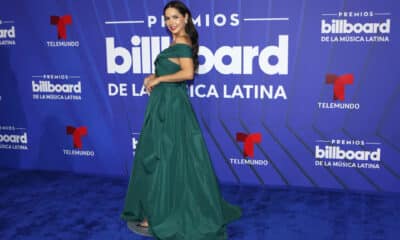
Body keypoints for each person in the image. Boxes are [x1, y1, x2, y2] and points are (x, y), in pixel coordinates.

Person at [121, 1, 242, 239]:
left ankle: (160, 216)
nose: (171, 23)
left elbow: (187, 73)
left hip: (173, 107)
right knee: (159, 157)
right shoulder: (175, 42)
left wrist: (158, 81)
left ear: (186, 18)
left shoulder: (184, 43)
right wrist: (155, 75)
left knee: (165, 158)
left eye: (175, 17)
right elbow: (174, 70)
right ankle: (156, 211)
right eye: (167, 18)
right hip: (163, 104)